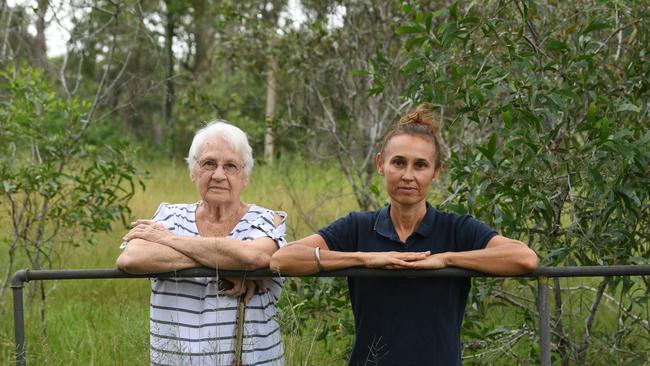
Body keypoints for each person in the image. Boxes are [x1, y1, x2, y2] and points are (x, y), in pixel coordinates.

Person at [269, 104, 538, 366]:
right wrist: (363, 259)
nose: (408, 175)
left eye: (420, 165)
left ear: (436, 172)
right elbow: (282, 259)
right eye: (399, 162)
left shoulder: (456, 228)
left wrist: (447, 260)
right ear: (380, 164)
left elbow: (524, 258)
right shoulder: (358, 227)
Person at [117, 121, 287, 366]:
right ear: (192, 172)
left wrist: (169, 241)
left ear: (246, 176)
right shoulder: (168, 216)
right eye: (208, 164)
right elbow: (131, 259)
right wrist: (231, 264)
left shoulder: (267, 218)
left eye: (230, 166)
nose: (218, 175)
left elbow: (255, 258)